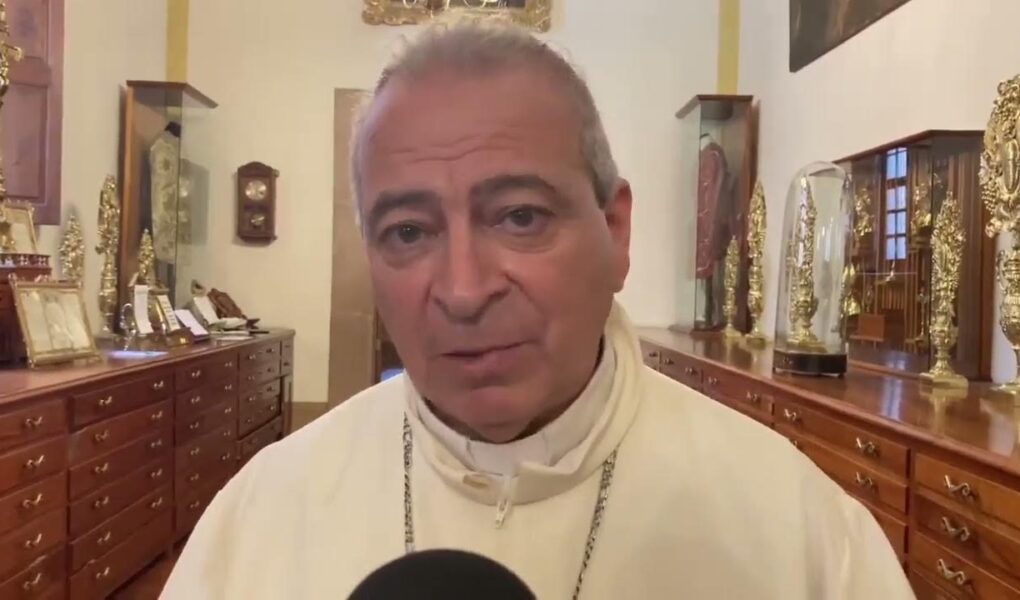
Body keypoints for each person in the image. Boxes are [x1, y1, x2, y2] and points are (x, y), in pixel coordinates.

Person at [162, 19, 913, 599]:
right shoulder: (262, 517)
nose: (464, 291)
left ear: (615, 230)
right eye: (409, 232)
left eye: (519, 216)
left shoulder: (796, 532)